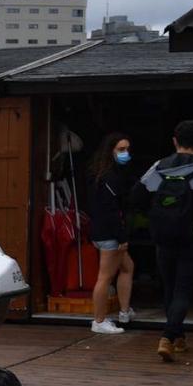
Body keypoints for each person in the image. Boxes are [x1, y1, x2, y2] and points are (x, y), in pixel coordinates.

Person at [130, 120, 193, 362]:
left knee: (169, 288)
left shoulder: (158, 168)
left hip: (163, 239)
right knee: (183, 290)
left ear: (174, 141)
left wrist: (157, 213)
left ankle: (179, 338)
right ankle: (169, 337)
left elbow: (136, 197)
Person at [86, 133, 136, 334]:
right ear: (111, 151)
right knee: (105, 277)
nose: (125, 153)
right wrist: (121, 237)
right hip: (109, 234)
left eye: (127, 149)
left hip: (101, 231)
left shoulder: (99, 174)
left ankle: (124, 311)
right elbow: (112, 211)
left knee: (127, 266)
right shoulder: (109, 178)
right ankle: (99, 321)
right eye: (121, 149)